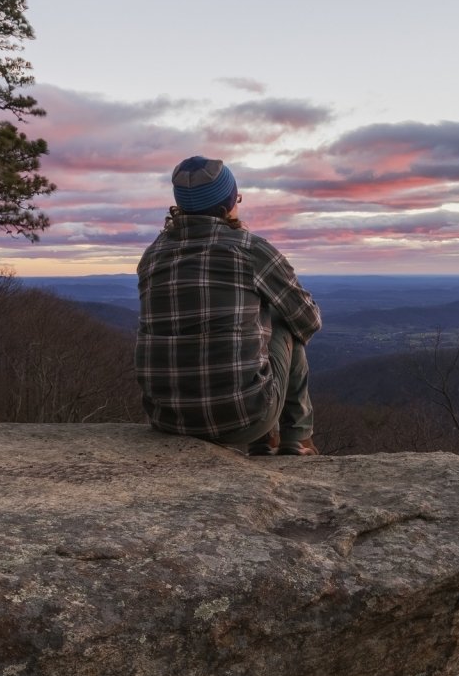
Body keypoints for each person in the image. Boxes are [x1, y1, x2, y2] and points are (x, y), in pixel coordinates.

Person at [135, 156, 321, 455]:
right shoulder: (251, 250)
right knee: (285, 318)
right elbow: (308, 319)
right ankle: (296, 440)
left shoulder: (153, 255)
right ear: (228, 206)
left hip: (167, 418)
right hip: (244, 420)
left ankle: (268, 443)